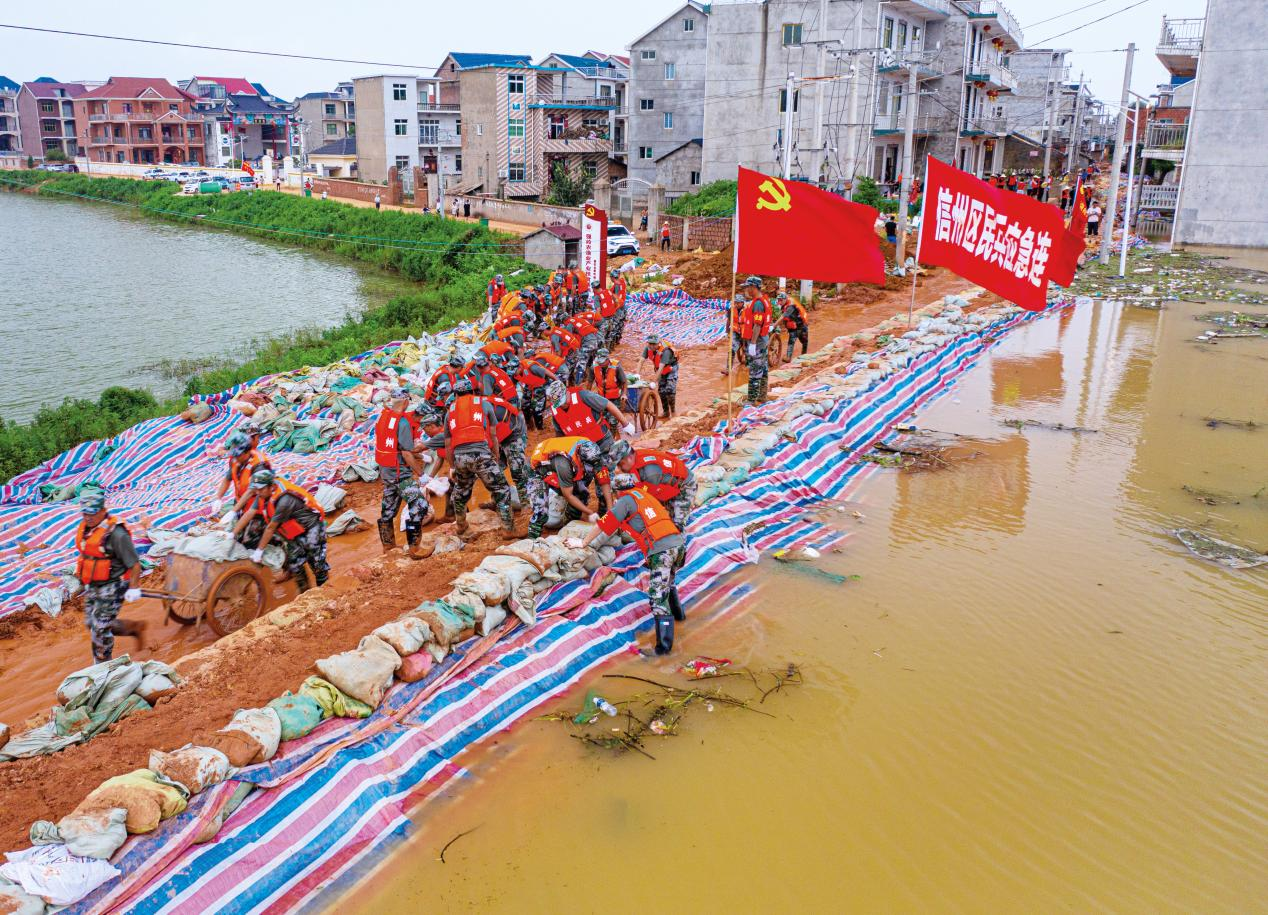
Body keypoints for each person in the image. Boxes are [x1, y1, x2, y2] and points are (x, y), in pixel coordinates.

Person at [569, 474, 685, 655]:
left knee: (657, 599)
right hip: (678, 544)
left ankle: (663, 650)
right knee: (668, 584)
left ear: (617, 491)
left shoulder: (625, 501)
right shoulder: (644, 495)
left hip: (662, 550)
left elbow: (604, 525)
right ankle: (680, 618)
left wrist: (583, 543)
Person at [434, 379, 514, 536]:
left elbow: (448, 444)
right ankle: (508, 529)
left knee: (461, 492)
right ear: (472, 391)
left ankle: (461, 525)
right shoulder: (484, 403)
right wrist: (496, 454)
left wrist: (452, 466)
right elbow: (493, 434)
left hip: (460, 457)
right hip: (481, 453)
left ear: (456, 394)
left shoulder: (450, 412)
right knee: (501, 488)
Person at [75, 492, 146, 662]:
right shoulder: (87, 528)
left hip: (114, 584)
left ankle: (103, 666)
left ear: (102, 510)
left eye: (92, 513)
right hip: (94, 583)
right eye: (85, 513)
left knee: (99, 629)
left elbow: (135, 564)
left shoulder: (117, 534)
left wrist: (134, 588)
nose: (88, 517)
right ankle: (133, 628)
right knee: (91, 623)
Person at [235, 468, 329, 592]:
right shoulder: (263, 493)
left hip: (311, 527)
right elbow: (250, 512)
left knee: (317, 563)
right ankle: (304, 593)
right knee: (295, 563)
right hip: (293, 530)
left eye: (260, 489)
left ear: (271, 486)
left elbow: (271, 528)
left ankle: (324, 591)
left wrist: (259, 550)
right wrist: (232, 532)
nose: (257, 492)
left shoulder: (284, 500)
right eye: (256, 489)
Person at [550, 382, 635, 513]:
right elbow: (560, 435)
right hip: (581, 451)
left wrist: (625, 423)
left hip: (602, 442)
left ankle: (605, 507)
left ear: (567, 392)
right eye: (559, 404)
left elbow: (608, 405)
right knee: (580, 480)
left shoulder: (583, 396)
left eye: (563, 401)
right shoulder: (556, 411)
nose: (562, 405)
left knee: (604, 475)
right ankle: (579, 508)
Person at [373, 388, 434, 556]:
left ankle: (388, 546)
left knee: (388, 508)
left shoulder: (383, 416)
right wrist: (422, 474)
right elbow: (406, 453)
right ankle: (415, 548)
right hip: (399, 472)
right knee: (420, 505)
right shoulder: (403, 423)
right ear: (406, 401)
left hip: (386, 470)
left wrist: (420, 456)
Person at [526, 436, 603, 538]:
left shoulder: (590, 449)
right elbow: (568, 496)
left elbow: (601, 474)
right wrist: (590, 512)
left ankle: (569, 527)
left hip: (557, 467)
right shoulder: (564, 465)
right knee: (541, 512)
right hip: (536, 471)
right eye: (588, 466)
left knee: (582, 493)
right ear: (580, 458)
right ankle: (532, 540)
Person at [611, 441, 697, 531]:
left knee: (675, 527)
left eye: (620, 464)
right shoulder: (635, 460)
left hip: (685, 485)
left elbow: (651, 501)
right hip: (665, 486)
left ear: (629, 457)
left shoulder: (650, 473)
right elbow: (637, 485)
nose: (619, 469)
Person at [210, 429, 270, 520]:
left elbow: (251, 491)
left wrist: (234, 511)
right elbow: (228, 478)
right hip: (241, 502)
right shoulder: (236, 459)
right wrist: (218, 497)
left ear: (247, 452)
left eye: (238, 455)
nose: (236, 458)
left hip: (256, 508)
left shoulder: (259, 465)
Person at [737, 276, 773, 402]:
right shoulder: (763, 300)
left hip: (757, 342)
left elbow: (757, 325)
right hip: (763, 340)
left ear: (753, 287)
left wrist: (752, 343)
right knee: (763, 368)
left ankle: (752, 400)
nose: (746, 290)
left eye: (747, 287)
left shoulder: (758, 303)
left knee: (755, 371)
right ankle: (762, 396)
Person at [516, 349, 563, 430]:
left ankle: (539, 428)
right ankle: (529, 425)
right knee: (524, 405)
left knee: (537, 409)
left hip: (540, 384)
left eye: (515, 371)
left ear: (519, 367)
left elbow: (546, 372)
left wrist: (557, 381)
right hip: (530, 384)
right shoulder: (513, 372)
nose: (514, 373)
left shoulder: (532, 366)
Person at [640, 334, 679, 419]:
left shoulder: (666, 351)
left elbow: (661, 368)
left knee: (670, 390)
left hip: (671, 368)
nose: (651, 346)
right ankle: (666, 412)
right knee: (661, 391)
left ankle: (673, 412)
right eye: (650, 344)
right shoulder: (647, 348)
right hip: (659, 369)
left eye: (654, 344)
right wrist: (637, 374)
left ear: (659, 343)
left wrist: (653, 382)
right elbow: (641, 361)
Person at [776, 291, 810, 361]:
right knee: (791, 342)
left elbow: (783, 317)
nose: (780, 302)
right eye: (779, 300)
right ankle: (789, 357)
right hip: (794, 327)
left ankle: (803, 355)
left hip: (801, 326)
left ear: (785, 299)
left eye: (781, 300)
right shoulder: (785, 305)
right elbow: (784, 318)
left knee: (804, 342)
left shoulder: (791, 306)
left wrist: (774, 325)